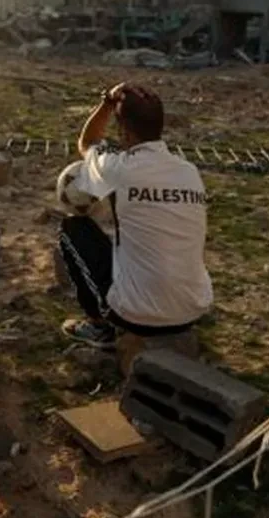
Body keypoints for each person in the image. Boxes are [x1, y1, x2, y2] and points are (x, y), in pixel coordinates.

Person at [58, 83, 213, 349]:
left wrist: (107, 103)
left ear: (124, 131)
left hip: (138, 315)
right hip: (193, 309)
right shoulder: (189, 171)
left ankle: (99, 325)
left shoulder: (119, 168)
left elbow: (87, 142)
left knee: (73, 228)